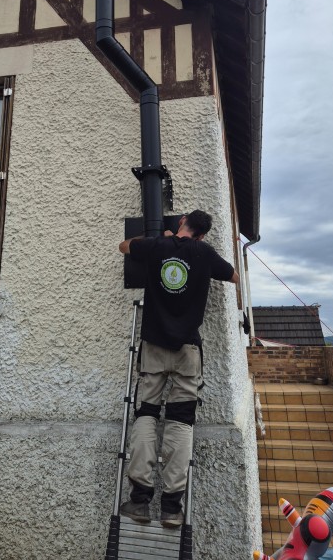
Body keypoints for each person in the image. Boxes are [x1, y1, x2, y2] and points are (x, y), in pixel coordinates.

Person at [118, 210, 239, 528]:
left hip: (154, 347)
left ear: (182, 221)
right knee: (181, 422)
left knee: (146, 414)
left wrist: (164, 240)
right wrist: (199, 260)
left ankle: (140, 500)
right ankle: (172, 507)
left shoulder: (157, 246)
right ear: (202, 234)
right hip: (187, 349)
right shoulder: (205, 252)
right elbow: (234, 276)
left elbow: (123, 246)